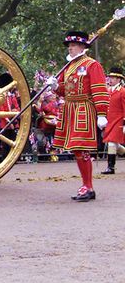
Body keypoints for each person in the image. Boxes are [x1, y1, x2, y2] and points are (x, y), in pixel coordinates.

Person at [45, 30, 109, 201]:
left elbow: (99, 89)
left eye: (73, 45)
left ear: (82, 46)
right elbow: (65, 91)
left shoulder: (92, 65)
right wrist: (55, 86)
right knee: (76, 149)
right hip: (70, 108)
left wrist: (102, 113)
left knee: (82, 147)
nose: (70, 49)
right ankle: (85, 185)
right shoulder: (69, 67)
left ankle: (88, 186)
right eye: (69, 46)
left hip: (84, 109)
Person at [101, 67, 125, 174]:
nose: (110, 80)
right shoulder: (108, 91)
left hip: (119, 120)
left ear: (119, 79)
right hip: (110, 120)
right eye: (110, 77)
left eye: (113, 78)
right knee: (115, 145)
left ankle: (111, 167)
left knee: (111, 142)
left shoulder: (123, 91)